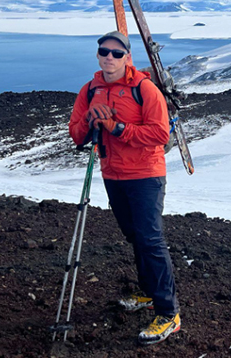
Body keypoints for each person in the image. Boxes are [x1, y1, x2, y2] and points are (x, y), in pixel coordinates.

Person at [68, 31, 180, 345]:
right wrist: (90, 120)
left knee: (150, 239)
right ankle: (148, 293)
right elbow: (77, 135)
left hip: (145, 175)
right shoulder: (90, 90)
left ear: (127, 57)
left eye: (117, 53)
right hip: (113, 175)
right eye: (104, 51)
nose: (109, 57)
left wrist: (117, 128)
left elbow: (159, 134)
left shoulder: (145, 89)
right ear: (98, 55)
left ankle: (168, 313)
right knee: (135, 237)